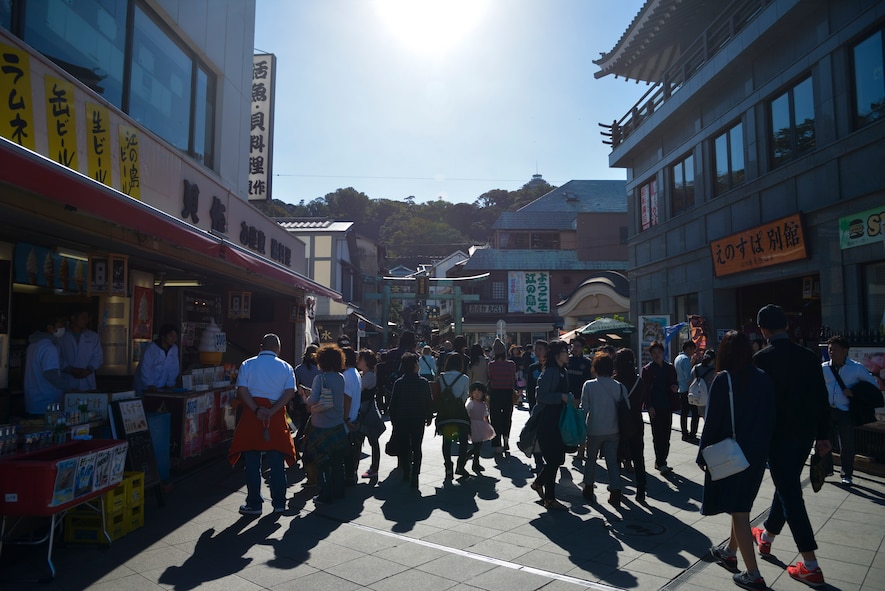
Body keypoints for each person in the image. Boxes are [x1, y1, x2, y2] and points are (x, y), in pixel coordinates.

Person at [752, 304, 832, 587]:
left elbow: (757, 407)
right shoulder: (809, 357)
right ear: (786, 326)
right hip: (806, 435)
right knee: (786, 488)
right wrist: (824, 435)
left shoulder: (761, 359)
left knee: (790, 495)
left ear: (763, 329)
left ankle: (810, 564)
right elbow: (822, 397)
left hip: (777, 438)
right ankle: (767, 536)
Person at [700, 331, 776, 591]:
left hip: (732, 452)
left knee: (740, 511)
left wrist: (702, 453)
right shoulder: (764, 378)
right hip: (757, 454)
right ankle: (730, 551)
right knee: (740, 504)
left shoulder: (724, 380)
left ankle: (753, 574)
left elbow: (711, 422)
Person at [228, 334, 298, 515]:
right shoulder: (286, 367)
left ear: (261, 347)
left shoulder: (247, 364)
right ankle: (280, 503)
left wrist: (258, 410)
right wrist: (272, 410)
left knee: (252, 462)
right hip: (275, 418)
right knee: (276, 462)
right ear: (278, 349)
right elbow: (290, 392)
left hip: (252, 416)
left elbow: (242, 390)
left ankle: (254, 504)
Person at [822, 335, 878, 486]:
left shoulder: (856, 368)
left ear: (845, 351)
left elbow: (873, 387)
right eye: (830, 350)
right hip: (827, 409)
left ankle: (847, 474)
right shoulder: (824, 367)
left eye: (835, 349)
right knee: (822, 439)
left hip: (845, 410)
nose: (832, 352)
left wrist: (854, 392)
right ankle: (827, 469)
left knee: (846, 444)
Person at [580, 352, 627, 511]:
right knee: (612, 462)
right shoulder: (619, 386)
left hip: (594, 429)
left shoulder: (589, 385)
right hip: (613, 429)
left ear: (595, 368)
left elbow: (584, 408)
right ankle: (615, 491)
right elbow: (626, 408)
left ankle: (588, 487)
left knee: (591, 459)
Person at [531, 340, 571, 511]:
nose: (568, 354)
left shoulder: (563, 371)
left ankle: (539, 483)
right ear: (557, 355)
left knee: (557, 459)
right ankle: (549, 498)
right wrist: (560, 397)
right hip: (547, 421)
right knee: (554, 459)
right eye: (565, 351)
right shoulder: (550, 372)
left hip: (558, 421)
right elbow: (540, 396)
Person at [305, 345, 348, 504]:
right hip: (337, 424)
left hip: (321, 425)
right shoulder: (340, 377)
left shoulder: (320, 378)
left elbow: (313, 400)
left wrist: (305, 397)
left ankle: (326, 494)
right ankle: (339, 491)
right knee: (337, 462)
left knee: (323, 462)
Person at [388, 352, 434, 489]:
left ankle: (406, 471)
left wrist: (393, 421)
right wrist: (429, 417)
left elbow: (392, 404)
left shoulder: (399, 383)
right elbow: (429, 402)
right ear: (415, 365)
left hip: (402, 419)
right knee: (417, 447)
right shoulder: (423, 382)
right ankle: (415, 475)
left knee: (404, 447)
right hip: (418, 419)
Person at [613, 348, 647, 502]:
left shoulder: (616, 382)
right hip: (636, 422)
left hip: (619, 423)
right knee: (638, 457)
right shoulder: (639, 380)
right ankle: (641, 490)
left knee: (617, 457)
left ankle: (617, 491)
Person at [641, 340, 678, 473]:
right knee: (658, 435)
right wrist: (649, 406)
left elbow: (674, 382)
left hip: (667, 404)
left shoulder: (669, 368)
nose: (657, 355)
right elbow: (645, 390)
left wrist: (675, 387)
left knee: (667, 435)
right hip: (655, 407)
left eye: (659, 352)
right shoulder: (648, 370)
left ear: (663, 353)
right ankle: (660, 461)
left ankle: (663, 461)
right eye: (654, 353)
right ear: (651, 354)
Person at [436, 353, 471, 479]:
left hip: (445, 414)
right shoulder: (464, 378)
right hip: (459, 414)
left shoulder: (441, 377)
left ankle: (448, 467)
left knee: (447, 441)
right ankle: (460, 465)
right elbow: (464, 396)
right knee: (463, 441)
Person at [24, 315, 68, 415]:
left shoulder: (33, 345)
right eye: (60, 324)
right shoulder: (48, 347)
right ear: (50, 328)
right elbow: (51, 374)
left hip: (33, 401)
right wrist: (69, 388)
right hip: (46, 403)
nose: (63, 327)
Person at [355, 349, 385, 479]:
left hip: (368, 411)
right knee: (360, 440)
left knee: (372, 440)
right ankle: (355, 468)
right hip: (364, 410)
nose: (358, 361)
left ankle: (374, 468)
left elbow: (358, 390)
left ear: (366, 361)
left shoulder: (369, 376)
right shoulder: (364, 374)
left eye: (360, 359)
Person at [59, 308, 103, 391]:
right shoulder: (62, 336)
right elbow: (57, 357)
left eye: (87, 318)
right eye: (83, 317)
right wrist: (70, 369)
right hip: (67, 381)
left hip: (87, 382)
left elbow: (98, 357)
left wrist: (89, 370)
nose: (86, 320)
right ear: (73, 318)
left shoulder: (93, 336)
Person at [488, 338, 517, 455]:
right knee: (507, 417)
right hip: (508, 392)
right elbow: (513, 379)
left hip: (495, 393)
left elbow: (490, 378)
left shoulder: (491, 365)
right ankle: (506, 439)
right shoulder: (511, 364)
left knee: (495, 418)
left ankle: (497, 443)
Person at [134, 323, 180, 395]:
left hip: (162, 388)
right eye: (171, 336)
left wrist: (170, 383)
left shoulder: (174, 349)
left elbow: (174, 368)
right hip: (145, 387)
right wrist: (149, 384)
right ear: (163, 336)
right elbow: (145, 367)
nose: (174, 339)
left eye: (175, 336)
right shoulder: (151, 348)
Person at [341, 347, 362, 485]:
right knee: (352, 449)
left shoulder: (347, 375)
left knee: (346, 451)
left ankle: (349, 476)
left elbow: (347, 398)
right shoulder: (355, 373)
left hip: (348, 419)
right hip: (355, 416)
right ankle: (352, 474)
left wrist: (346, 418)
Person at [526, 339, 548, 473]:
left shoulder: (552, 367)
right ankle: (538, 460)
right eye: (536, 349)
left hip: (549, 406)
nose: (537, 352)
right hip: (535, 406)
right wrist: (531, 406)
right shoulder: (532, 367)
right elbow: (529, 388)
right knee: (536, 434)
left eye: (540, 349)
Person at [466, 382, 495, 473]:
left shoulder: (483, 404)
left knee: (479, 445)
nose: (477, 394)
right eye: (474, 392)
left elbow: (485, 416)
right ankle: (468, 456)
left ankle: (476, 462)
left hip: (481, 425)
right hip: (473, 425)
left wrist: (487, 425)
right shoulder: (471, 403)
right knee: (476, 445)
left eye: (479, 392)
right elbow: (467, 413)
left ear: (483, 393)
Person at [675, 341, 700, 444]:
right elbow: (688, 377)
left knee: (684, 413)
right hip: (688, 389)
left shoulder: (678, 358)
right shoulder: (685, 359)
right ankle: (692, 434)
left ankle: (684, 433)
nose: (694, 352)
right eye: (693, 349)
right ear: (689, 348)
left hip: (681, 388)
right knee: (695, 413)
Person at [690, 348, 717, 420]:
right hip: (708, 399)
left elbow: (691, 381)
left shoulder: (695, 368)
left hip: (696, 397)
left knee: (695, 418)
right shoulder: (714, 371)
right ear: (713, 360)